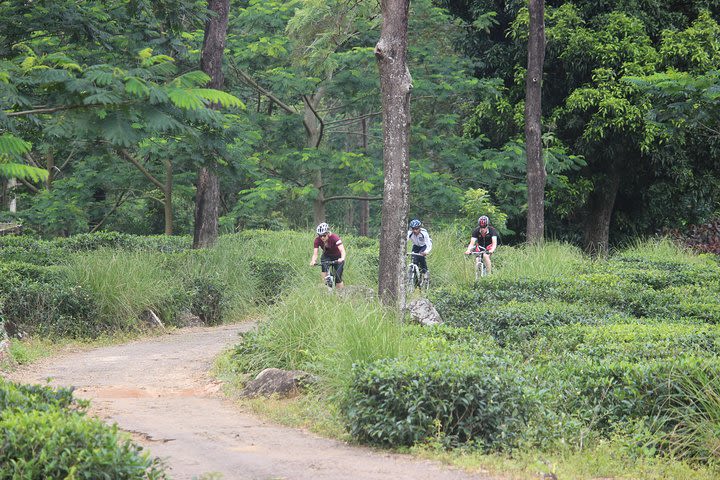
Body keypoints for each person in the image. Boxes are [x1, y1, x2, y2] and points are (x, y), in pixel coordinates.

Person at [310, 222, 346, 289]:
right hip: (327, 256)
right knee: (324, 270)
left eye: (324, 235)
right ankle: (326, 289)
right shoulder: (317, 240)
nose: (322, 237)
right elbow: (315, 253)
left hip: (338, 257)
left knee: (338, 277)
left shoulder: (335, 237)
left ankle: (341, 294)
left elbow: (342, 250)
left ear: (328, 233)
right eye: (320, 235)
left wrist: (342, 258)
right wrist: (313, 261)